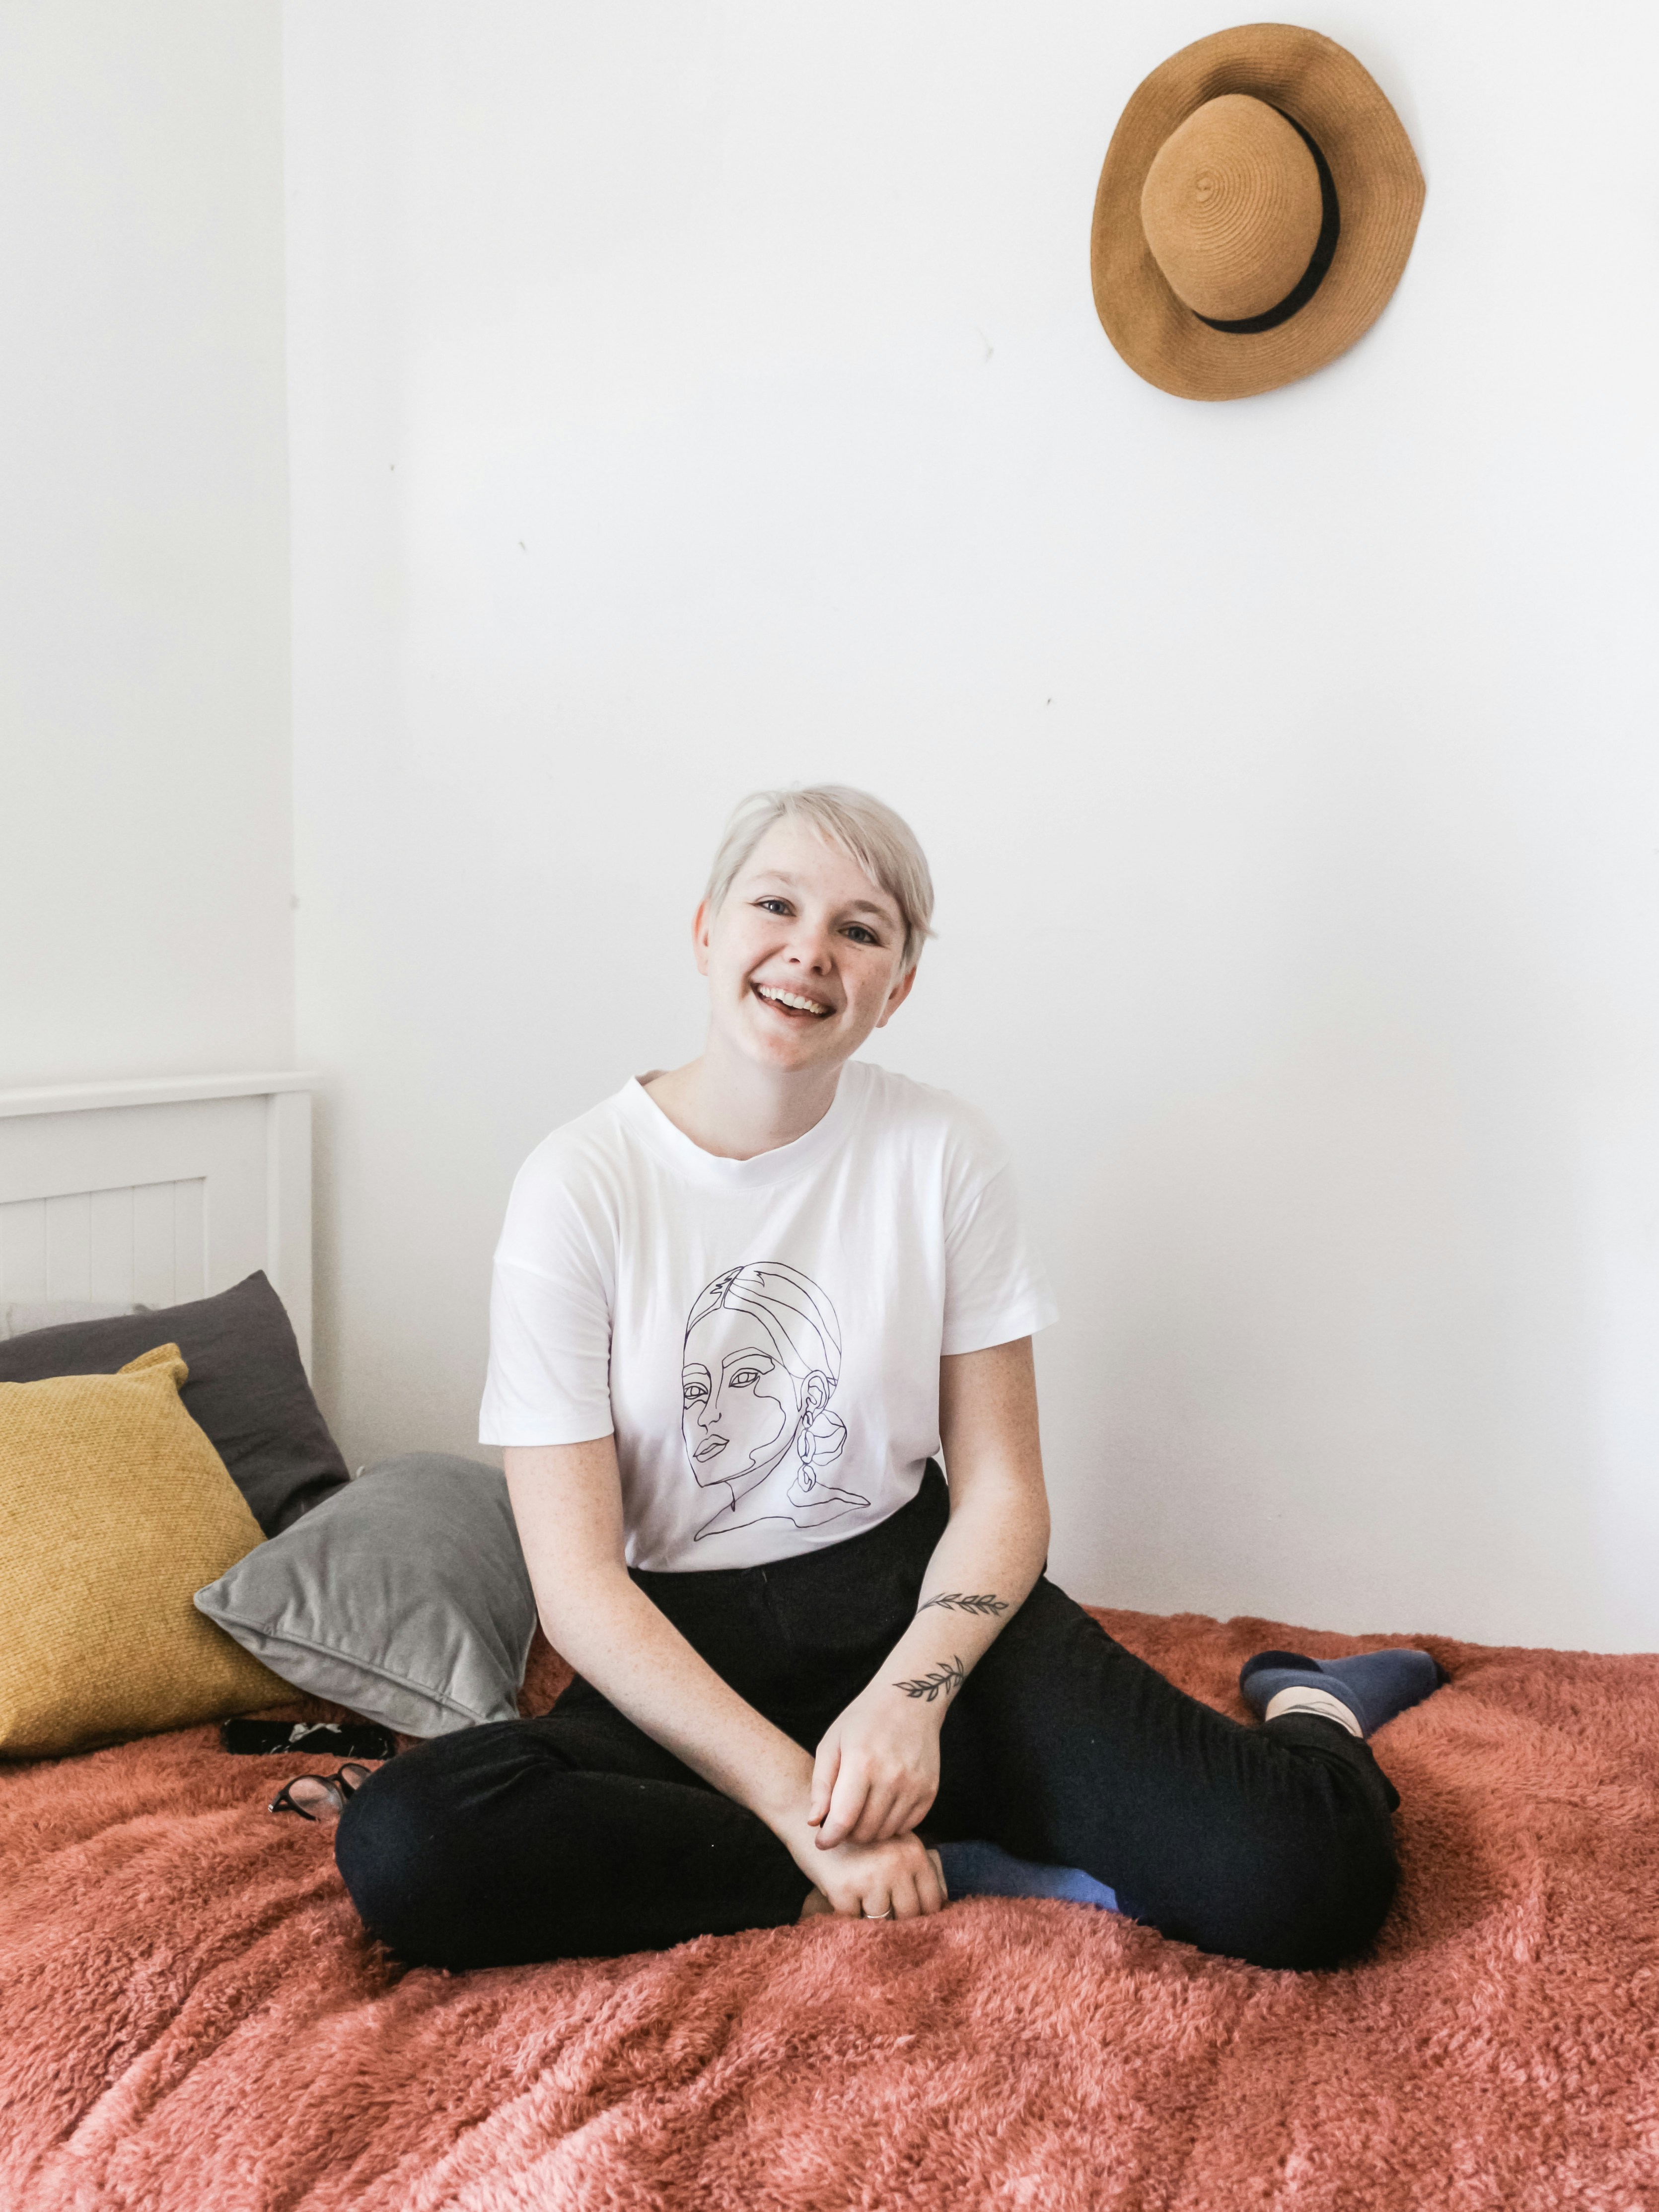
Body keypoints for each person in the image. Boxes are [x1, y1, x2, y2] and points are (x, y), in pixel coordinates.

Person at [336, 784, 1442, 1971]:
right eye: (776, 905)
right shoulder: (578, 1185)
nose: (809, 952)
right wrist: (794, 1811)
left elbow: (1004, 1490)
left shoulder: (941, 1152)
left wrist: (912, 1699)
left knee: (1312, 1879)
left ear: (896, 985)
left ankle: (1314, 1708)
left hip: (919, 1610)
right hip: (690, 1651)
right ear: (707, 930)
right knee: (411, 1845)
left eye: (861, 930)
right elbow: (577, 1585)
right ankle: (905, 1859)